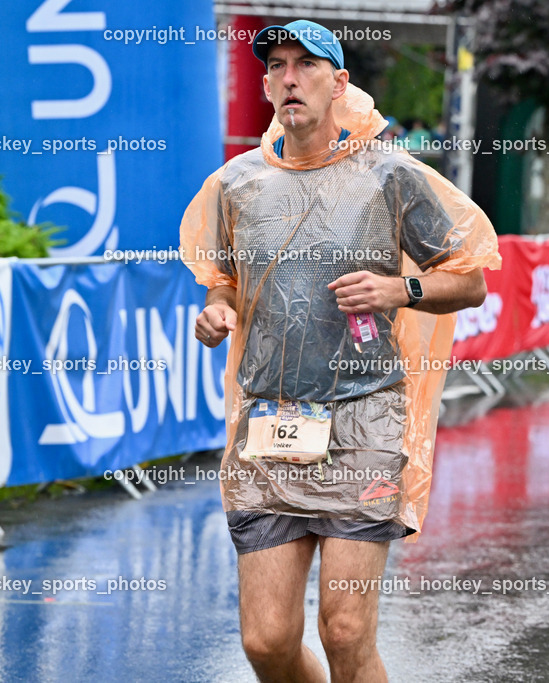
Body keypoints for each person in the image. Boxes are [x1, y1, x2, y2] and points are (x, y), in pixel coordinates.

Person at [179, 19, 500, 682]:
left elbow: (468, 279)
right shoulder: (235, 185)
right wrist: (215, 311)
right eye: (277, 66)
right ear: (267, 83)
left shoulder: (391, 176)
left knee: (346, 629)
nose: (289, 77)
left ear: (340, 82)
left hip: (364, 419)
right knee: (267, 640)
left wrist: (400, 286)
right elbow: (226, 284)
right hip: (269, 422)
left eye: (306, 64)